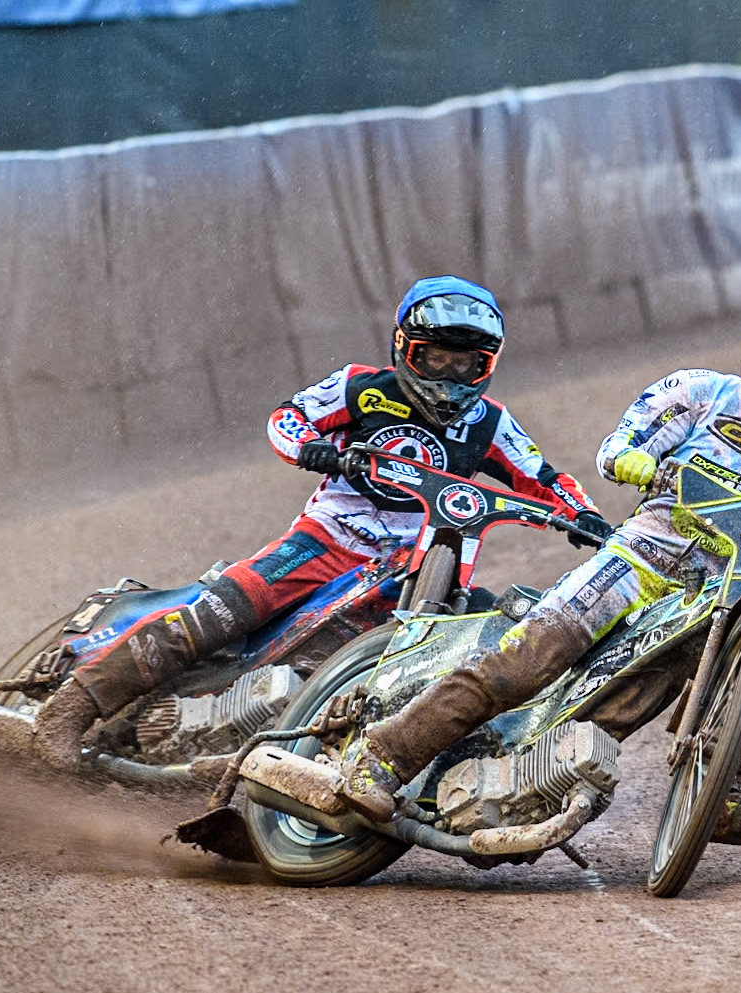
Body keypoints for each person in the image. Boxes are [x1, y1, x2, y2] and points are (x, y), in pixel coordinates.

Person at [338, 287, 741, 846]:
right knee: (530, 660)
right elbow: (615, 452)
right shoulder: (700, 393)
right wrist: (650, 471)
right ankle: (383, 756)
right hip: (639, 561)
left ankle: (730, 791)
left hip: (716, 597)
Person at [32, 275, 613, 770]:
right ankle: (76, 705)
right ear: (405, 348)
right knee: (228, 610)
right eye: (436, 358)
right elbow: (289, 417)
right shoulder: (360, 387)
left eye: (466, 363)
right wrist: (310, 449)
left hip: (426, 563)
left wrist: (584, 515)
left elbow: (546, 478)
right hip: (330, 539)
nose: (449, 375)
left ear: (486, 365)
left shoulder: (493, 423)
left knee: (478, 642)